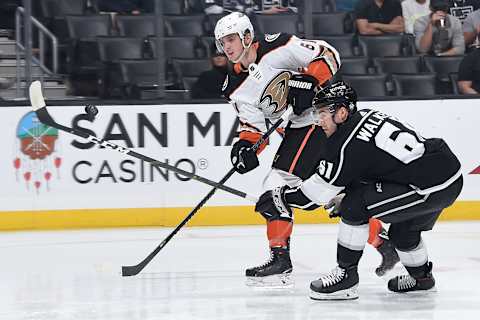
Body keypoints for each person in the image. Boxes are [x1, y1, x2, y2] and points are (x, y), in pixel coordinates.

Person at [214, 12, 399, 288]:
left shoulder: (279, 46)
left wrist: (311, 82)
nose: (226, 47)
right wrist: (245, 147)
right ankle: (384, 245)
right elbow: (253, 127)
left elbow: (329, 54)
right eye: (222, 42)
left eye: (231, 39)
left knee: (275, 185)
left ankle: (280, 259)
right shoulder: (234, 87)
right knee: (336, 194)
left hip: (321, 119)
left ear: (247, 36)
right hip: (300, 128)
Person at [254, 80, 463, 299]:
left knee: (355, 205)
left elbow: (313, 198)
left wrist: (279, 196)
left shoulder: (344, 143)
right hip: (447, 174)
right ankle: (422, 279)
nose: (319, 121)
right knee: (403, 232)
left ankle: (346, 277)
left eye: (323, 113)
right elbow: (376, 167)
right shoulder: (366, 116)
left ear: (342, 113)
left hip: (428, 186)